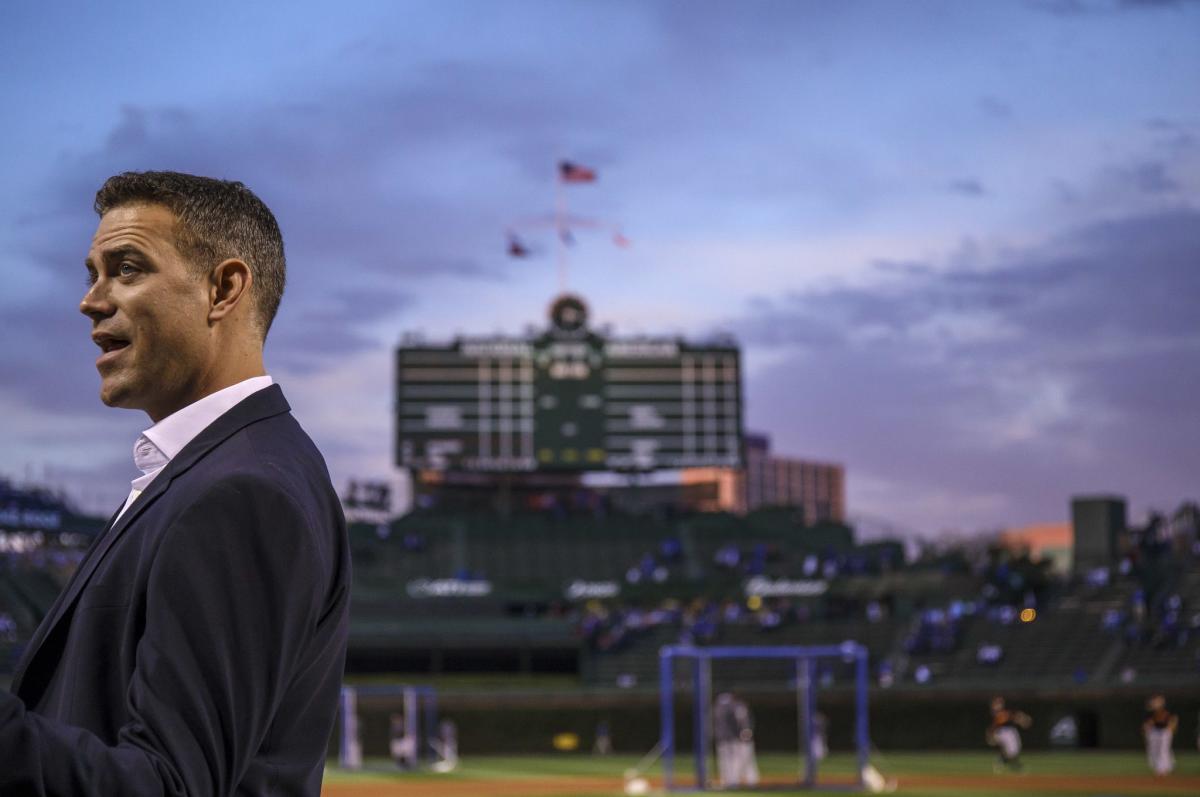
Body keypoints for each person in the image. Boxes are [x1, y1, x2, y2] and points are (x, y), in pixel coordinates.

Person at [0, 171, 351, 795]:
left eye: (127, 268)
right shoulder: (219, 468)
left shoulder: (243, 490)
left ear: (223, 288)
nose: (92, 299)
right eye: (92, 273)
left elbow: (171, 785)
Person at [986, 696, 1031, 773]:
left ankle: (1003, 761)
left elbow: (1014, 716)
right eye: (997, 702)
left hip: (1010, 731)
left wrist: (1022, 719)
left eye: (1000, 702)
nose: (999, 704)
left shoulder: (1005, 712)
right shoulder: (998, 714)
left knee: (1014, 750)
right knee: (1012, 751)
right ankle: (1013, 765)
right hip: (1003, 732)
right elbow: (1000, 720)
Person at [1142, 694, 1178, 776]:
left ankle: (1161, 769)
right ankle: (1168, 765)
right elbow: (1148, 723)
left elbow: (1173, 719)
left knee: (1163, 750)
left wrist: (1171, 728)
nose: (1156, 702)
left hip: (1165, 731)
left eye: (1158, 701)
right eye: (1155, 701)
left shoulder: (1168, 709)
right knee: (1154, 750)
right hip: (1154, 731)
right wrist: (1146, 730)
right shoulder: (1150, 711)